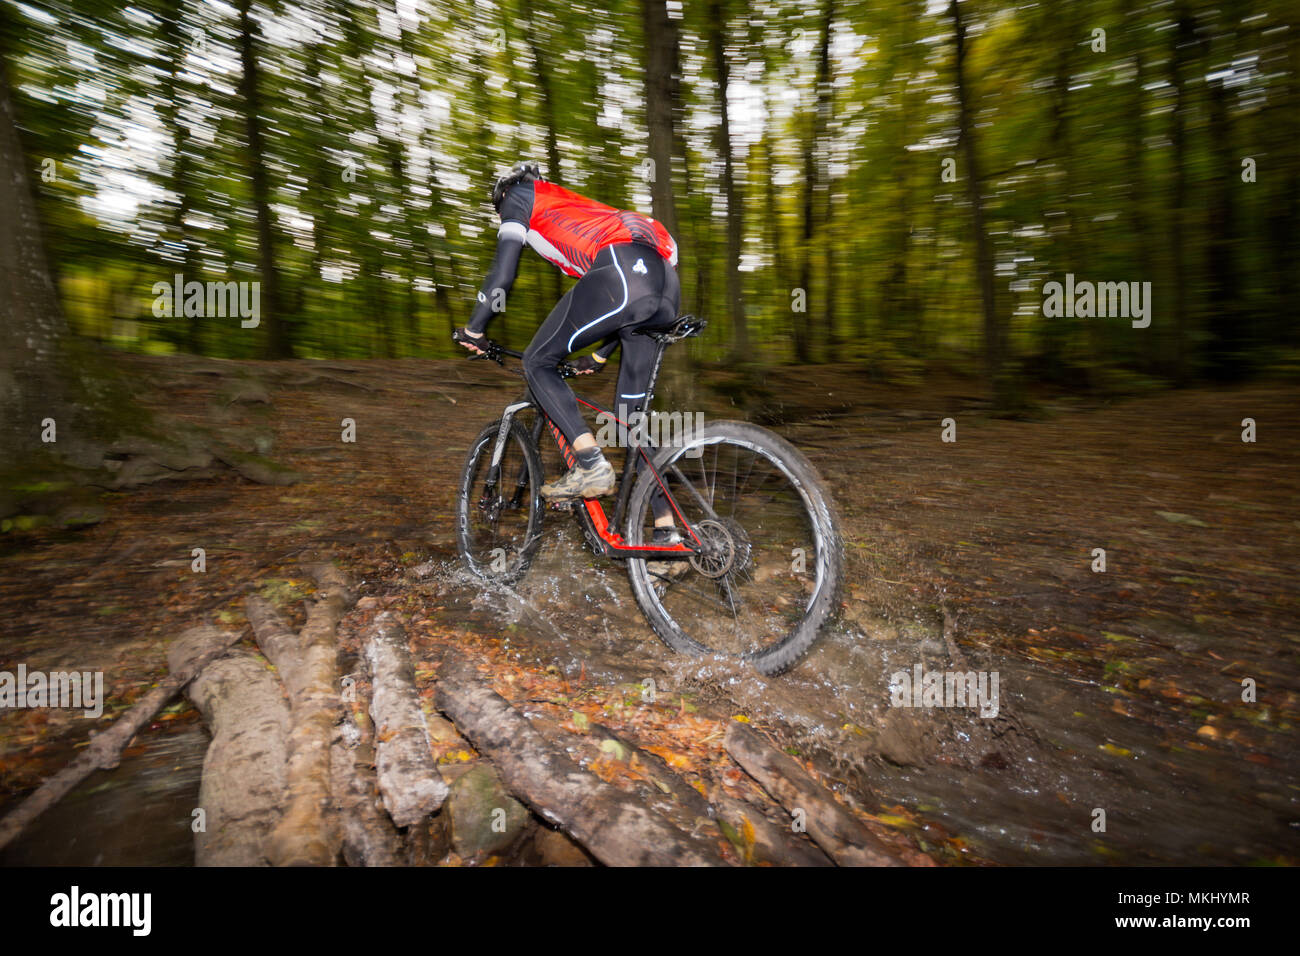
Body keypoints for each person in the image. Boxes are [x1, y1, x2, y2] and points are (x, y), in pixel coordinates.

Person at [456, 162, 684, 549]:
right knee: (631, 421)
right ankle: (668, 531)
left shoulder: (519, 197)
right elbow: (630, 302)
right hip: (665, 285)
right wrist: (599, 357)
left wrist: (476, 328)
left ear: (503, 194)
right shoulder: (579, 210)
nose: (501, 216)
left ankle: (591, 465)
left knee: (537, 361)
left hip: (621, 271)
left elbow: (502, 273)